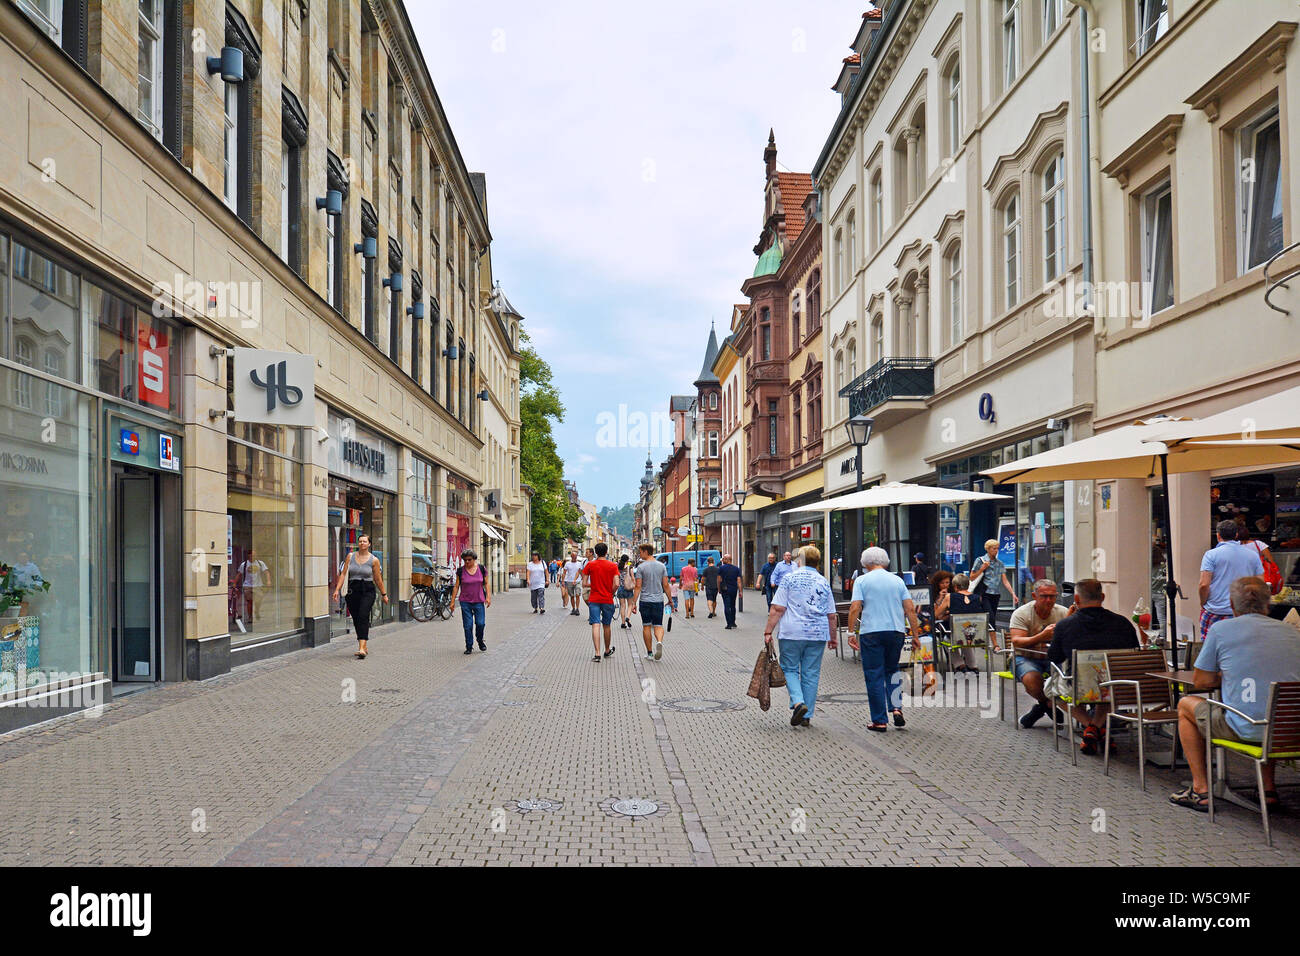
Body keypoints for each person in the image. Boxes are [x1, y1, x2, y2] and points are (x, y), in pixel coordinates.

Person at [1172, 576, 1300, 812]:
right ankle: (1268, 789)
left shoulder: (1221, 630)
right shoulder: (1292, 632)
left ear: (1231, 604)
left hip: (1246, 729)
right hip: (1289, 731)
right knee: (1271, 706)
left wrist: (1228, 676)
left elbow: (1201, 681)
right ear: (1268, 604)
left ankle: (1200, 789)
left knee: (1185, 705)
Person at [1047, 579, 1140, 755]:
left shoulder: (1065, 625)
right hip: (1118, 687)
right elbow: (1134, 654)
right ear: (1103, 597)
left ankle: (1091, 727)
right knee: (1107, 686)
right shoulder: (1123, 623)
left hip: (1079, 686)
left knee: (1051, 690)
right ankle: (1098, 727)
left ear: (1076, 599)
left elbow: (1054, 657)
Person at [847, 547, 921, 732]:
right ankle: (896, 708)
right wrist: (916, 635)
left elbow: (855, 607)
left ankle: (879, 720)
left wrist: (850, 632)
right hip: (896, 631)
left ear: (865, 562)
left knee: (874, 674)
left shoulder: (862, 581)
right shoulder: (897, 581)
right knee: (892, 670)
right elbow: (910, 609)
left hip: (871, 631)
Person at [764, 545, 836, 728]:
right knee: (811, 673)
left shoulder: (789, 579)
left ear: (800, 561)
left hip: (792, 632)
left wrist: (768, 631)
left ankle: (798, 703)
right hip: (818, 633)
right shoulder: (823, 581)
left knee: (789, 669)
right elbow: (831, 614)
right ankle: (807, 715)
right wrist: (833, 637)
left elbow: (778, 608)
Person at [1007, 579, 1073, 728]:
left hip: (1053, 658)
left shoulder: (1063, 612)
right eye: (1044, 596)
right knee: (1031, 678)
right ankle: (1048, 704)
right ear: (1034, 596)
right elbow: (1017, 641)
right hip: (1025, 657)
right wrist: (1042, 636)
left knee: (1074, 675)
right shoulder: (1022, 613)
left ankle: (1041, 708)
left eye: (1052, 596)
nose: (1048, 600)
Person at [1198, 520, 1264, 638]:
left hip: (1215, 610)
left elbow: (1204, 584)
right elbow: (1260, 584)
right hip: (1243, 611)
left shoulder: (1211, 555)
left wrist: (1203, 602)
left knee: (1211, 647)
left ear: (1218, 535)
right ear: (1236, 535)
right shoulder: (1252, 555)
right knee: (1242, 647)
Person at [331, 534, 387, 660]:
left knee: (363, 615)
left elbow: (378, 579)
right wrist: (337, 590)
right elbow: (344, 574)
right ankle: (363, 645)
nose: (362, 543)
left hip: (367, 590)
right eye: (360, 541)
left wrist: (384, 594)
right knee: (356, 619)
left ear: (369, 544)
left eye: (364, 541)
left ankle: (362, 648)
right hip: (353, 590)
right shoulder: (350, 557)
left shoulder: (374, 560)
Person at [931, 570, 978, 675]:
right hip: (974, 633)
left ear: (955, 586)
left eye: (947, 582)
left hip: (954, 631)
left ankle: (959, 665)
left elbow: (935, 615)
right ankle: (972, 665)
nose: (945, 585)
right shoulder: (977, 598)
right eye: (942, 583)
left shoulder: (950, 597)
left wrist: (943, 605)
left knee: (948, 639)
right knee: (965, 635)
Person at [450, 548, 491, 654]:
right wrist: (452, 601)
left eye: (469, 560)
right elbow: (456, 586)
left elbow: (486, 583)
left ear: (474, 559)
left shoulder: (481, 569)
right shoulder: (460, 571)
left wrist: (488, 597)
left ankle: (480, 640)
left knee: (480, 623)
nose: (467, 562)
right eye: (465, 560)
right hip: (465, 602)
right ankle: (469, 646)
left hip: (479, 601)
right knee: (468, 625)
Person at [971, 539, 1017, 631]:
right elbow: (972, 577)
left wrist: (1013, 593)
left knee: (991, 617)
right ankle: (994, 641)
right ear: (987, 549)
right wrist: (982, 569)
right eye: (993, 549)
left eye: (997, 549)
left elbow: (1005, 580)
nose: (996, 551)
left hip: (995, 594)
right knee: (990, 618)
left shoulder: (999, 563)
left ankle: (986, 638)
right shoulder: (980, 560)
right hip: (984, 593)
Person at [633, 543, 669, 660]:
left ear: (646, 552)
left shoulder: (641, 567)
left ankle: (649, 653)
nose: (640, 554)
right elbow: (666, 585)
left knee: (646, 626)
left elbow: (638, 586)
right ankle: (659, 641)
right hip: (658, 600)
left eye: (641, 552)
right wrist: (670, 600)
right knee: (658, 625)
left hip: (645, 600)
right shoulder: (662, 566)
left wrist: (633, 602)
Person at [585, 542, 619, 662]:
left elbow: (584, 583)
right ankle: (607, 649)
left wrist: (593, 585)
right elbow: (617, 583)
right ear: (606, 552)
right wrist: (611, 592)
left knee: (595, 624)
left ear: (596, 552)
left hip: (594, 598)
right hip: (607, 598)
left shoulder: (590, 565)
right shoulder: (613, 566)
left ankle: (597, 653)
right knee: (607, 625)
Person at [237, 548, 269, 623]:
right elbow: (239, 574)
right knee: (249, 602)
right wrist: (235, 582)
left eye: (255, 555)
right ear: (249, 556)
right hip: (247, 586)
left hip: (258, 585)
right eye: (252, 555)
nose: (254, 556)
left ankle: (256, 611)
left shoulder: (260, 563)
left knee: (258, 601)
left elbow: (266, 572)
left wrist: (268, 580)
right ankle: (250, 617)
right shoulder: (244, 564)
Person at [718, 553, 742, 629]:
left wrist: (719, 589)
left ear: (727, 560)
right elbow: (739, 581)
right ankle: (733, 622)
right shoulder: (736, 569)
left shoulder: (721, 568)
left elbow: (719, 579)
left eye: (724, 559)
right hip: (734, 589)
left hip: (725, 589)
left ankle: (728, 624)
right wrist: (740, 591)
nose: (723, 560)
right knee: (732, 605)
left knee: (726, 606)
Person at [616, 554, 637, 628]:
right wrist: (635, 585)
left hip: (621, 588)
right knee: (630, 605)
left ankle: (623, 623)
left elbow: (616, 578)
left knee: (622, 606)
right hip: (628, 588)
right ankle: (627, 617)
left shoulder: (618, 567)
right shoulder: (629, 567)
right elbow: (633, 578)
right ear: (627, 560)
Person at [562, 551, 584, 615]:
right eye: (573, 556)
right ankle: (573, 608)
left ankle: (577, 609)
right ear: (571, 557)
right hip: (569, 581)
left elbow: (581, 572)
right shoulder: (567, 564)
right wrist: (563, 581)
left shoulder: (579, 564)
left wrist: (583, 579)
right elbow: (564, 572)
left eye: (575, 556)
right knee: (572, 596)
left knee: (577, 595)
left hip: (578, 581)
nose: (574, 557)